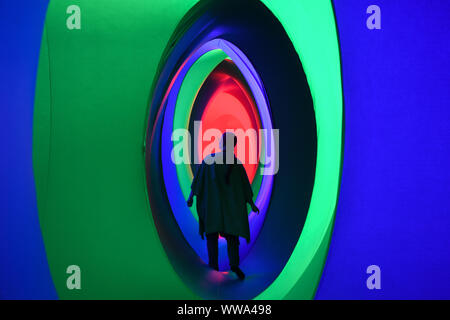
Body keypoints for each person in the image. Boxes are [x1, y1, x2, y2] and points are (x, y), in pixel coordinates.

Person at [187, 132, 259, 280]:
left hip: (213, 207)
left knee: (212, 236)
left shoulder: (209, 160)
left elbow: (197, 182)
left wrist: (191, 198)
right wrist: (251, 203)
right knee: (232, 237)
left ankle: (214, 265)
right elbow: (245, 186)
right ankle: (234, 265)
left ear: (221, 143)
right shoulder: (236, 163)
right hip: (230, 209)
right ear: (234, 144)